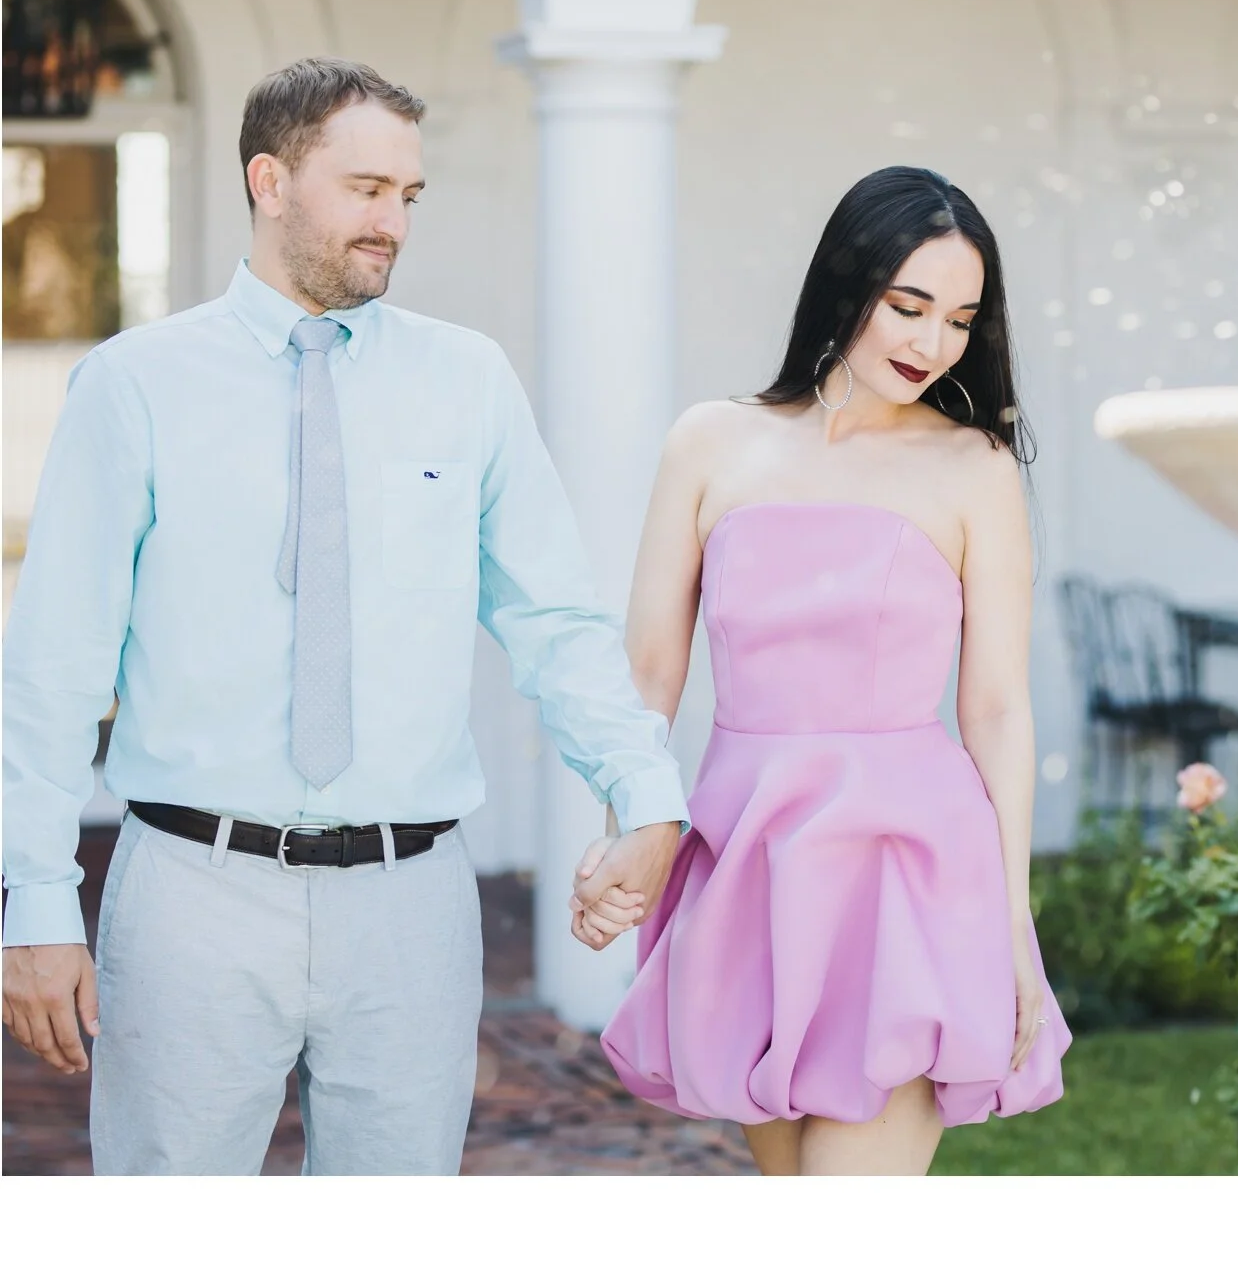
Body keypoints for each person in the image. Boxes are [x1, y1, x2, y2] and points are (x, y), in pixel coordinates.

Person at [0, 57, 685, 1175]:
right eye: (366, 188)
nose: (392, 223)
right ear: (270, 180)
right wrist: (32, 897)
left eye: (408, 196)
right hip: (192, 892)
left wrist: (642, 789)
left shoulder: (467, 380)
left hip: (411, 901)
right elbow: (53, 668)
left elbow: (556, 618)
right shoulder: (134, 385)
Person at [594, 166, 1071, 1175]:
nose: (931, 343)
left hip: (908, 873)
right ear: (845, 282)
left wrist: (1012, 922)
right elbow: (646, 676)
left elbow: (993, 706)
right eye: (907, 307)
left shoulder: (974, 468)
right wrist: (630, 836)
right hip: (748, 865)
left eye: (958, 319)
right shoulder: (709, 442)